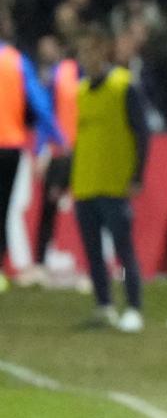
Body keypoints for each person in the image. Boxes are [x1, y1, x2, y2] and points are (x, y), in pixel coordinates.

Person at [70, 25, 149, 332]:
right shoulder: (81, 91)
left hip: (115, 183)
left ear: (104, 52)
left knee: (123, 249)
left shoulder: (123, 85)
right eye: (81, 52)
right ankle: (104, 305)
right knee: (92, 250)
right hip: (86, 183)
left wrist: (137, 174)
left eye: (91, 50)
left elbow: (141, 134)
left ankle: (134, 307)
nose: (85, 57)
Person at [0, 34, 62, 291]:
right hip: (10, 145)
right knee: (2, 210)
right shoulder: (16, 60)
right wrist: (59, 137)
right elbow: (39, 103)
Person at [23, 34, 79, 286]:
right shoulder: (58, 75)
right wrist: (41, 150)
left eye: (49, 47)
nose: (45, 51)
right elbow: (45, 115)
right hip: (62, 151)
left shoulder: (64, 74)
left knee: (62, 206)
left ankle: (44, 261)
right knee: (51, 206)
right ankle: (41, 261)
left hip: (68, 150)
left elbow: (46, 114)